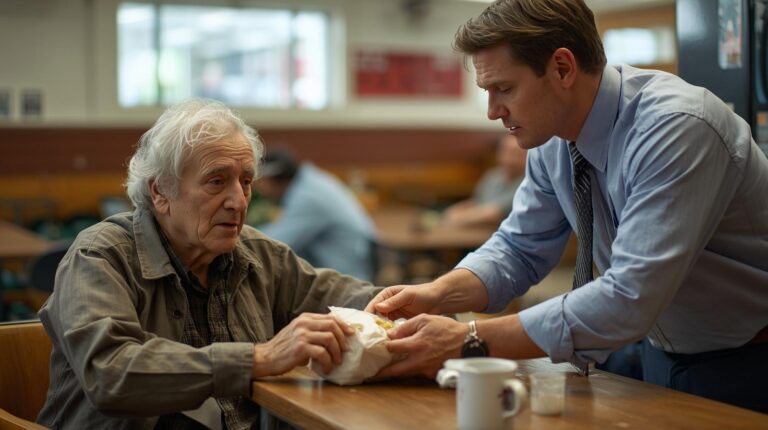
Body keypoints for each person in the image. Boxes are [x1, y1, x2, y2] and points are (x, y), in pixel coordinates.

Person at [366, 0, 768, 413]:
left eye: (503, 88)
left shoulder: (677, 127)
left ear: (562, 68)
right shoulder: (552, 138)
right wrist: (437, 293)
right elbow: (520, 248)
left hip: (747, 360)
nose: (492, 112)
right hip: (659, 346)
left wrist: (469, 338)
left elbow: (628, 297)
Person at [37, 99, 381, 429]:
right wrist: (259, 358)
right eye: (216, 181)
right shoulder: (101, 256)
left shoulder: (256, 253)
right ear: (161, 192)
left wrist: (424, 298)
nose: (238, 201)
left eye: (246, 182)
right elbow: (111, 373)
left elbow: (340, 294)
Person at [253, 149, 377, 281]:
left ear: (270, 178)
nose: (258, 188)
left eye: (259, 181)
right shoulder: (309, 181)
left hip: (349, 277)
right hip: (349, 266)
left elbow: (273, 245)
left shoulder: (307, 197)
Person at [442, 134, 526, 227]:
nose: (508, 159)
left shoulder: (527, 183)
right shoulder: (492, 176)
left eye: (516, 154)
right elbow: (476, 202)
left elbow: (493, 214)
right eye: (505, 151)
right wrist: (452, 212)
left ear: (527, 156)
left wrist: (456, 220)